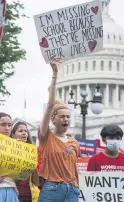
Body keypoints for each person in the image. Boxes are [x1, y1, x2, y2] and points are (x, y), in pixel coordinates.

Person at [38, 58, 80, 202]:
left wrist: (77, 186)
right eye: (62, 116)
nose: (66, 119)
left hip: (72, 190)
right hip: (52, 189)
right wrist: (54, 73)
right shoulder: (46, 136)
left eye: (68, 117)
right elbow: (50, 104)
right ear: (53, 119)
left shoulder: (74, 142)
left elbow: (74, 168)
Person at [11, 121, 39, 202]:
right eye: (20, 131)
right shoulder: (9, 152)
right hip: (15, 195)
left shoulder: (33, 152)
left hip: (30, 196)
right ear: (13, 135)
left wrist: (33, 165)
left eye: (26, 131)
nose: (24, 133)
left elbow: (36, 183)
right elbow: (12, 179)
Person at [0, 112, 19, 202]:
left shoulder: (16, 147)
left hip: (11, 190)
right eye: (3, 125)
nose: (7, 128)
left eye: (9, 125)